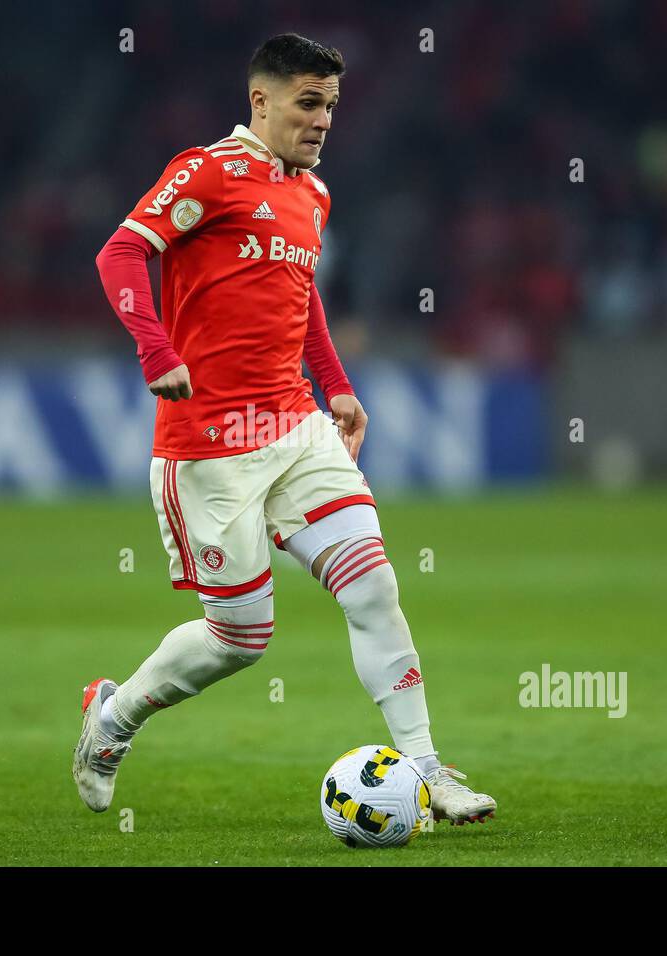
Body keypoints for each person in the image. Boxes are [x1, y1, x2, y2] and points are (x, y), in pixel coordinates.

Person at [80, 33, 496, 826]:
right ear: (260, 101)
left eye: (332, 107)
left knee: (373, 584)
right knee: (240, 639)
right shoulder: (207, 172)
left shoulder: (313, 194)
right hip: (208, 443)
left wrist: (336, 386)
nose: (323, 120)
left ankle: (428, 769)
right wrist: (156, 347)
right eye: (309, 103)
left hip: (295, 427)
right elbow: (122, 252)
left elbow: (299, 297)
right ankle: (113, 717)